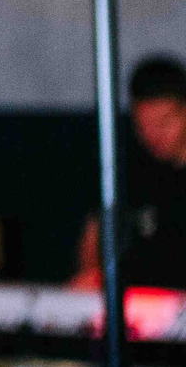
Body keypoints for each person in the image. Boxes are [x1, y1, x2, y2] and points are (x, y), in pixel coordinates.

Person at [73, 54, 186, 291]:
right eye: (143, 125)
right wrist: (91, 278)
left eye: (163, 123)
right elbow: (94, 235)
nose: (153, 135)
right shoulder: (126, 168)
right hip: (134, 301)